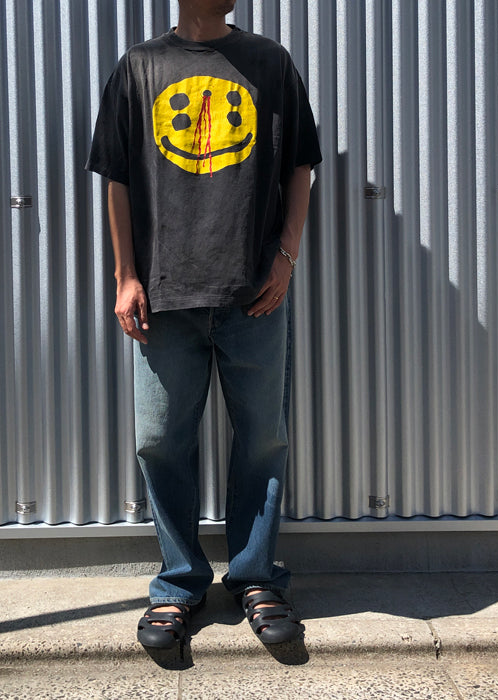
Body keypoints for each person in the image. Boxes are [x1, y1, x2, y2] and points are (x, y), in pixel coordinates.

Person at [86, 0, 321, 649]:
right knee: (160, 439)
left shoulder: (270, 62)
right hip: (165, 294)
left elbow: (301, 161)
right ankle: (179, 582)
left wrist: (287, 255)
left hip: (254, 290)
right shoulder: (140, 67)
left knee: (262, 440)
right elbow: (117, 176)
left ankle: (256, 577)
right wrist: (125, 275)